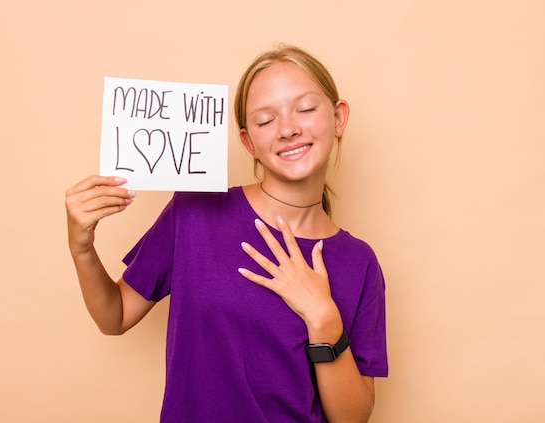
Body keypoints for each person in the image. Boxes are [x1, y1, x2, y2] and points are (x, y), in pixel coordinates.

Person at [65, 44, 388, 422]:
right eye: (266, 120)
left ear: (338, 118)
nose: (288, 129)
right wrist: (82, 248)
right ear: (248, 141)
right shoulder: (196, 212)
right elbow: (115, 316)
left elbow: (353, 417)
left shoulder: (358, 262)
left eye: (305, 108)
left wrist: (323, 318)